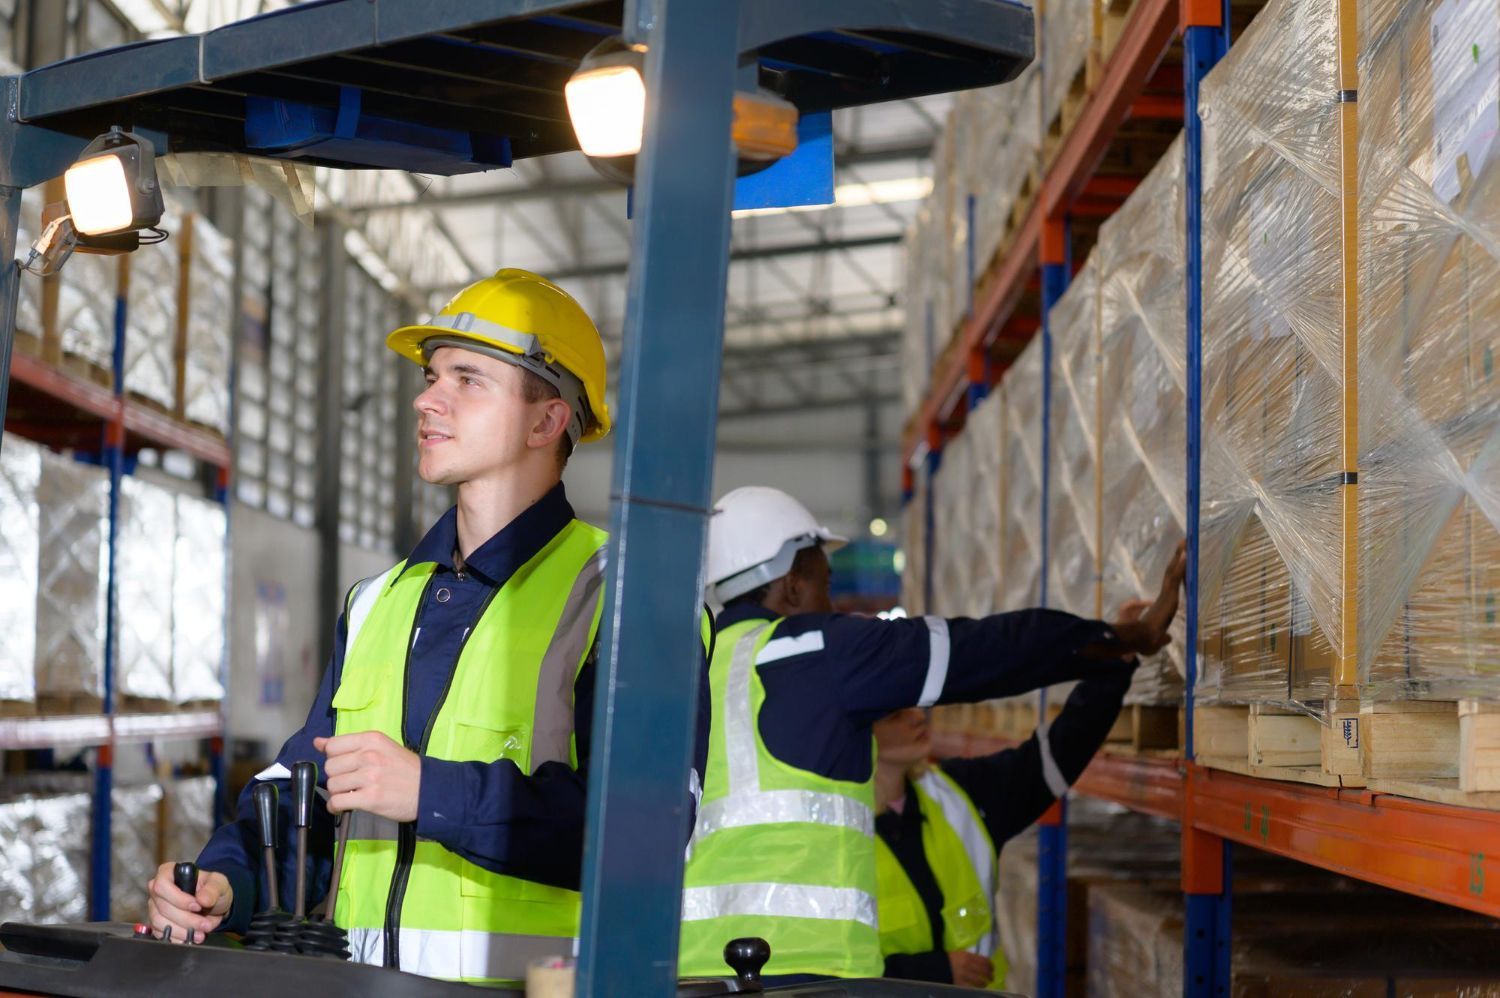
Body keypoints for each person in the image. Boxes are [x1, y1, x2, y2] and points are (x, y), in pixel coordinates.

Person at [145, 268, 710, 984]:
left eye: (467, 380)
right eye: (432, 374)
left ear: (546, 421)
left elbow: (647, 833)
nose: (427, 399)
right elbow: (305, 797)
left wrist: (428, 792)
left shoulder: (625, 596)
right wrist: (226, 882)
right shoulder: (378, 600)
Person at [678, 486, 1183, 982]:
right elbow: (981, 651)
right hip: (805, 972)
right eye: (824, 584)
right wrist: (1119, 639)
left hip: (688, 973)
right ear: (791, 585)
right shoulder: (816, 651)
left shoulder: (688, 674)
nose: (830, 603)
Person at [872, 592, 1169, 989]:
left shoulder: (960, 796)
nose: (915, 717)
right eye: (895, 714)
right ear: (860, 736)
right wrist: (932, 973)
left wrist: (1117, 654)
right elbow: (820, 964)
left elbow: (1061, 750)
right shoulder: (830, 833)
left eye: (911, 705)